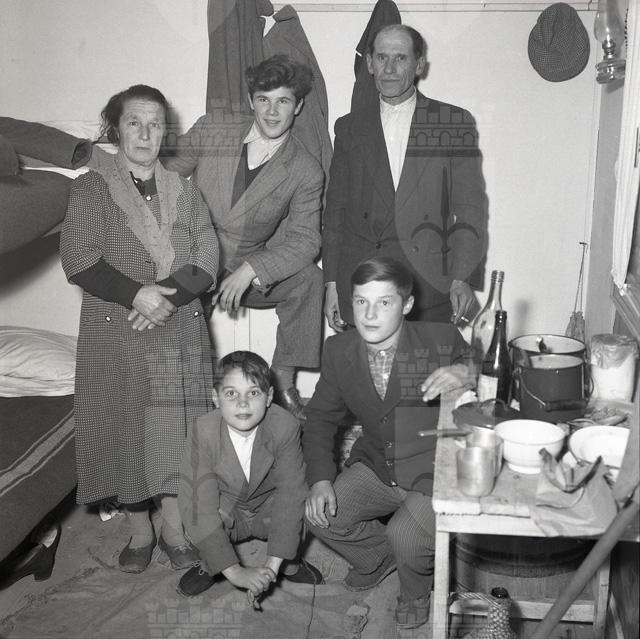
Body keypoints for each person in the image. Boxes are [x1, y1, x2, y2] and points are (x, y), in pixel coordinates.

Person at [60, 84, 219, 574]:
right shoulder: (91, 189)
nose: (146, 134)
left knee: (174, 433)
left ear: (165, 132)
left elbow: (207, 256)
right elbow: (78, 258)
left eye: (155, 124)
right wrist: (136, 294)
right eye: (135, 122)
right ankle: (139, 532)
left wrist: (161, 298)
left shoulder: (185, 190)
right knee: (127, 431)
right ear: (116, 129)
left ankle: (173, 530)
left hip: (177, 328)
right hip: (116, 331)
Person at [303, 256, 474, 630]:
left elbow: (491, 365)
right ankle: (380, 557)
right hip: (378, 464)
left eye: (384, 302)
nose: (369, 314)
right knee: (320, 515)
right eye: (361, 301)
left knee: (406, 534)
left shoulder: (440, 338)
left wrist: (466, 371)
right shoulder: (338, 350)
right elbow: (319, 419)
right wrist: (320, 480)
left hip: (432, 468)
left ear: (407, 304)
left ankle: (415, 592)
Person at [163, 54, 324, 421]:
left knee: (309, 279)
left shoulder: (306, 169)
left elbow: (306, 240)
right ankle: (187, 390)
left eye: (283, 101)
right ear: (252, 100)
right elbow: (165, 175)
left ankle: (283, 384)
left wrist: (252, 268)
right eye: (264, 99)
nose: (272, 112)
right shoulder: (213, 128)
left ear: (298, 106)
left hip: (243, 266)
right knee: (173, 331)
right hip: (192, 254)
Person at [323, 24, 488, 331]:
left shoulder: (452, 123)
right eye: (381, 58)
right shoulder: (349, 128)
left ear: (419, 65)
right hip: (364, 284)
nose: (389, 69)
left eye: (400, 58)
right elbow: (335, 212)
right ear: (369, 63)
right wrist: (331, 283)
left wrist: (462, 277)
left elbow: (470, 209)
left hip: (428, 287)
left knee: (427, 362)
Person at [177, 351, 323, 598]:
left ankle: (290, 563)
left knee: (304, 503)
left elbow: (290, 494)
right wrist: (235, 572)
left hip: (268, 507)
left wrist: (271, 568)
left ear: (269, 397)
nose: (242, 404)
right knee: (198, 516)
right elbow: (199, 506)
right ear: (216, 398)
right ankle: (213, 564)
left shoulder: (286, 426)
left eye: (253, 393)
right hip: (228, 509)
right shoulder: (202, 431)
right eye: (231, 394)